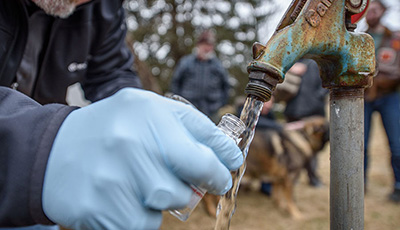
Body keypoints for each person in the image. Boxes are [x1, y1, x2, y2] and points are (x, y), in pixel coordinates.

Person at [0, 0, 243, 229]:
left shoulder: (104, 8)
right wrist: (39, 151)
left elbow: (112, 73)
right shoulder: (188, 64)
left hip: (38, 199)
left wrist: (143, 118)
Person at [364, 0, 400, 202]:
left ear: (383, 11)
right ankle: (358, 185)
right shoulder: (360, 38)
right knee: (361, 144)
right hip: (365, 97)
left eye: (375, 10)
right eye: (368, 11)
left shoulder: (395, 38)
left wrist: (382, 82)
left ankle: (398, 185)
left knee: (396, 144)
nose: (371, 14)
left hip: (390, 97)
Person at [276, 59, 329, 187]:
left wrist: (317, 97)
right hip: (293, 110)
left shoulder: (319, 62)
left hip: (313, 111)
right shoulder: (291, 61)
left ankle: (313, 177)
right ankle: (293, 176)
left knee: (311, 148)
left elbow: (327, 83)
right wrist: (289, 68)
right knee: (292, 146)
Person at [170, 30, 231, 123]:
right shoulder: (186, 62)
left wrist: (219, 105)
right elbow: (176, 82)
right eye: (205, 44)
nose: (207, 48)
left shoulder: (218, 65)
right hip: (188, 110)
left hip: (212, 113)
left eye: (210, 45)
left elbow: (226, 86)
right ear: (198, 45)